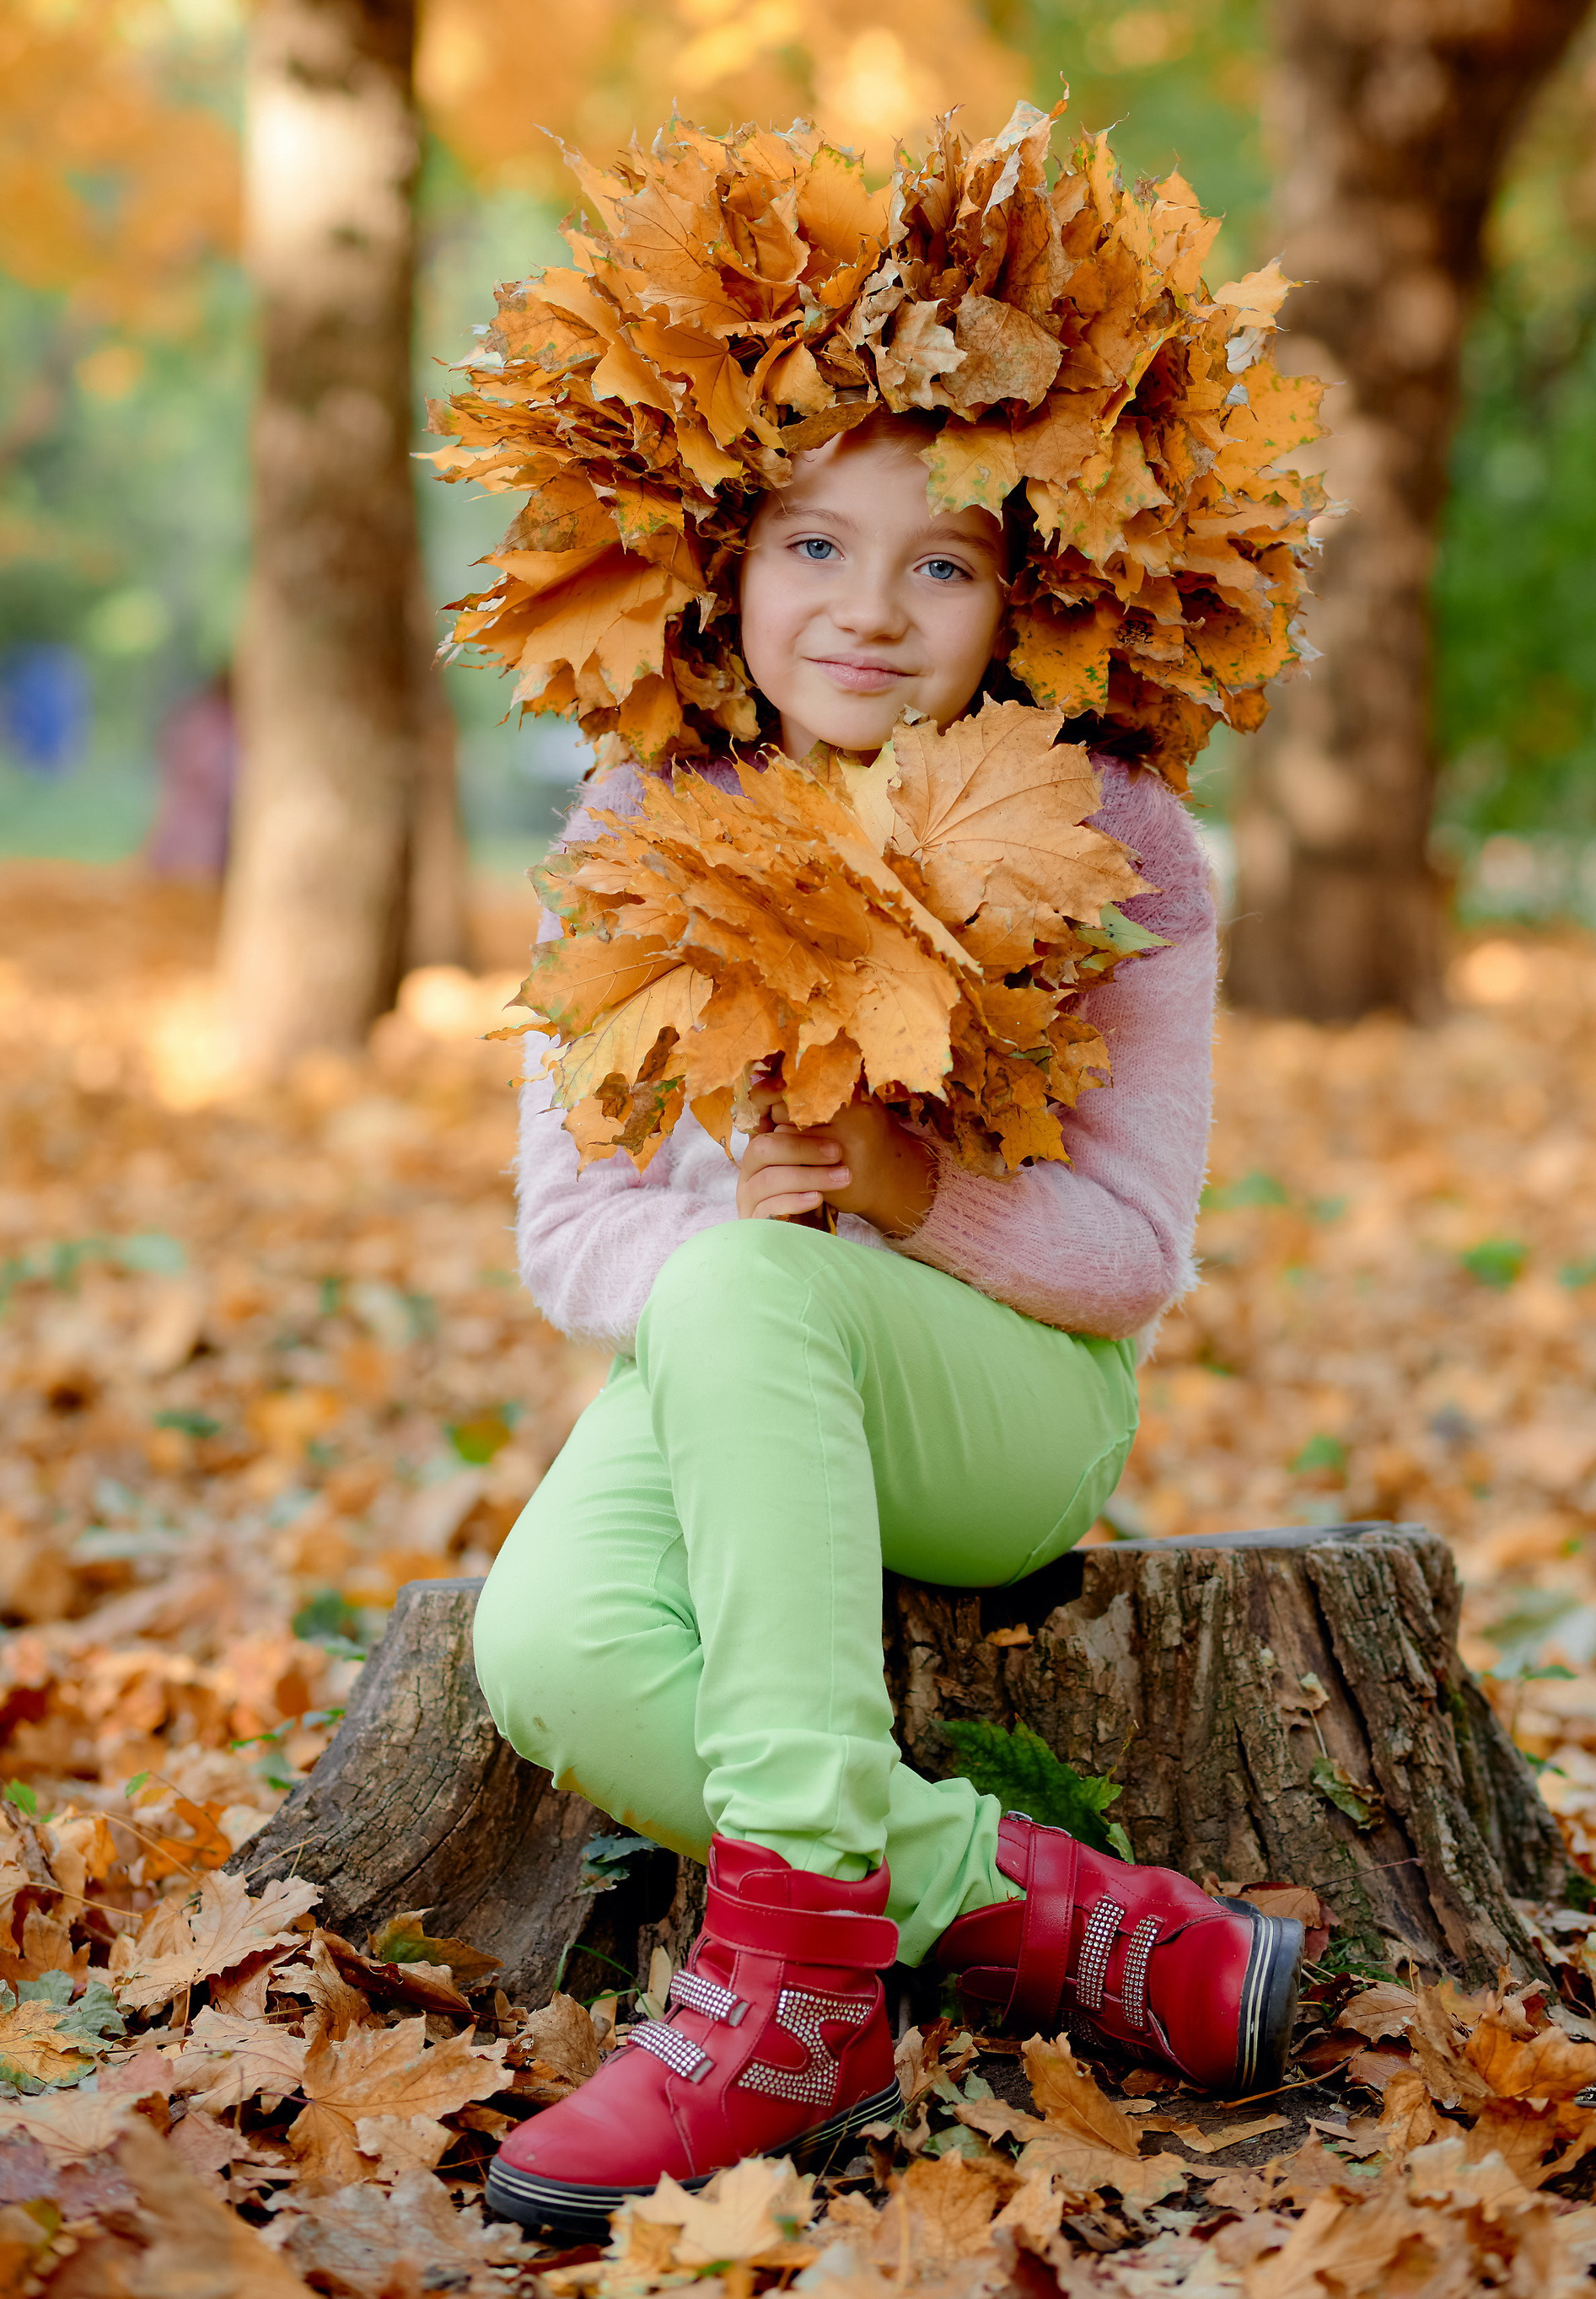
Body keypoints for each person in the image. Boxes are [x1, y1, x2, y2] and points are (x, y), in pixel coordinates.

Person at [472, 406, 1306, 2235]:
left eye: (942, 562)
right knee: (547, 1648)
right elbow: (575, 1227)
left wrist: (901, 1188)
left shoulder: (1118, 834)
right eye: (811, 546)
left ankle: (787, 2006)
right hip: (733, 1363)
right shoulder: (639, 812)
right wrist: (738, 1216)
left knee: (756, 1281)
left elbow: (1130, 1257)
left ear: (1031, 601)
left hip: (1000, 1406)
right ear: (728, 567)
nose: (870, 609)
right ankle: (1061, 1922)